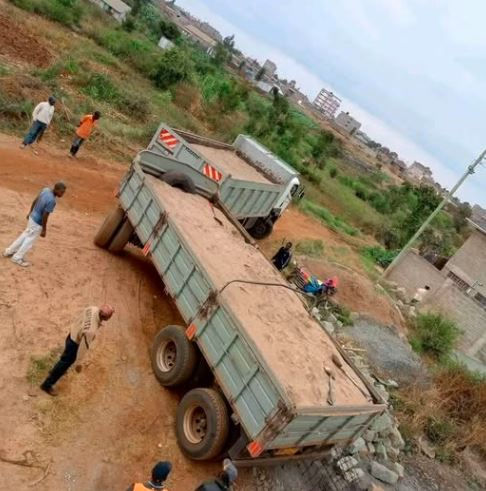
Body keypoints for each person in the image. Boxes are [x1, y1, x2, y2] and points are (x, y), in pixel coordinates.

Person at [40, 304, 115, 396]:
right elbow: (83, 348)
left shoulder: (93, 308)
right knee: (65, 363)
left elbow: (80, 316)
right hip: (74, 343)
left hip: (72, 333)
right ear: (106, 318)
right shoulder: (91, 331)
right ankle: (47, 385)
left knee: (64, 359)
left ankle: (55, 371)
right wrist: (78, 363)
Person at [3, 182, 66, 267]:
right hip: (37, 223)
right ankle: (17, 257)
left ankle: (9, 251)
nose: (62, 194)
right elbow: (45, 216)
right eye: (62, 192)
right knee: (29, 241)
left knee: (24, 235)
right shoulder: (52, 201)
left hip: (32, 218)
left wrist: (30, 212)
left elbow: (35, 201)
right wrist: (44, 229)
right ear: (57, 189)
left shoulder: (46, 190)